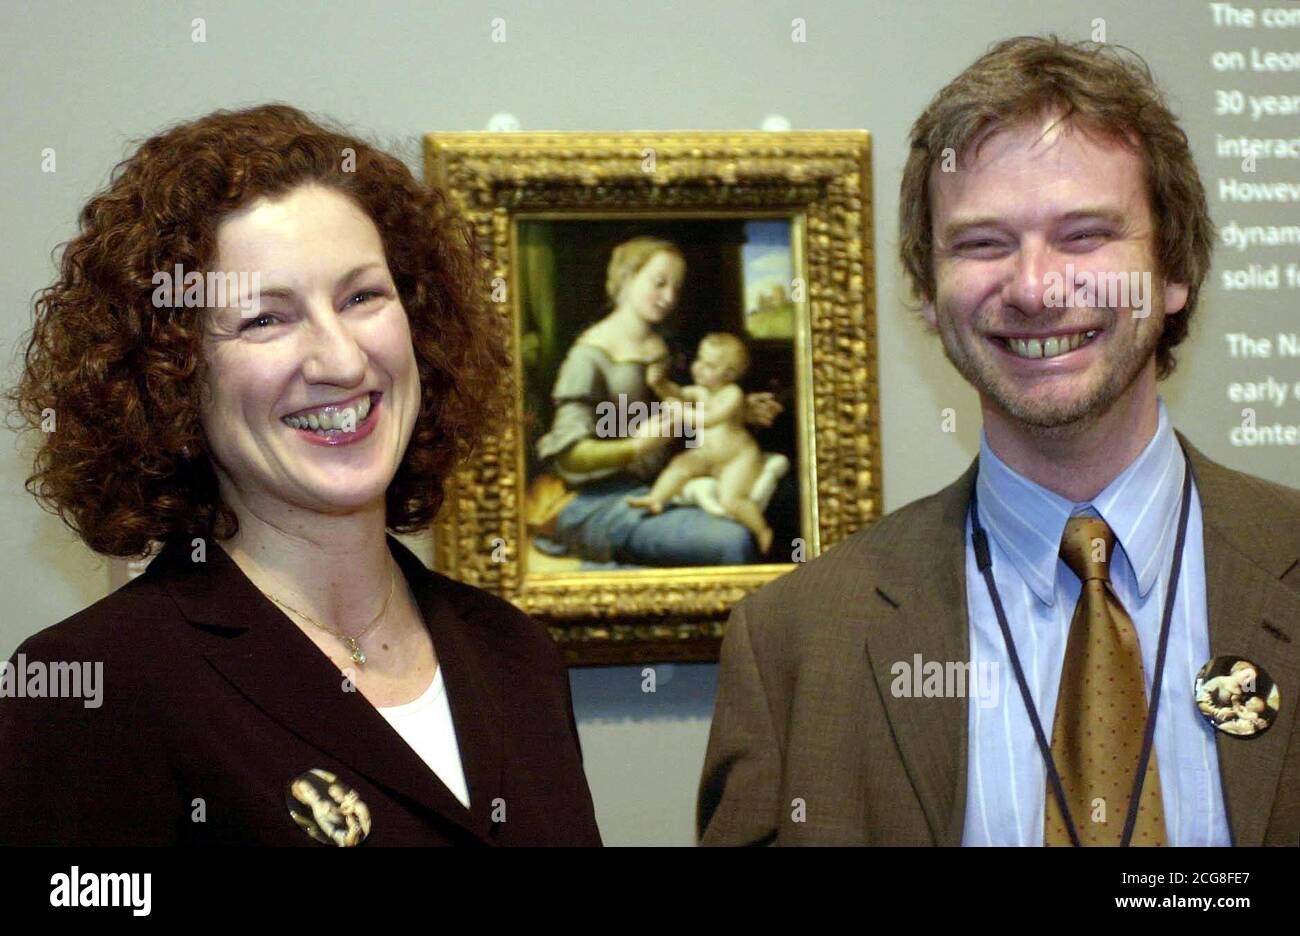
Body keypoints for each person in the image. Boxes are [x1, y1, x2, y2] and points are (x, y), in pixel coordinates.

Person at [698, 37, 1300, 846]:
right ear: (926, 292)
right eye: (983, 243)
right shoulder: (792, 647)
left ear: (1174, 270)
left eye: (1085, 235)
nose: (1036, 288)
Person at [0, 104, 601, 846]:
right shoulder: (96, 686)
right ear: (171, 375)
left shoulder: (513, 656)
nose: (342, 361)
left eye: (361, 297)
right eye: (264, 319)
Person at [531, 237, 782, 567]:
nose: (669, 298)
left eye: (676, 288)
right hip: (600, 498)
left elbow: (688, 405)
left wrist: (739, 411)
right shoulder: (588, 357)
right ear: (627, 276)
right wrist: (636, 446)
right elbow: (567, 456)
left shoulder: (665, 346)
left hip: (673, 481)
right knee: (731, 541)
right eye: (659, 283)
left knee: (785, 500)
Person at [628, 333, 773, 554]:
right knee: (680, 465)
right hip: (707, 454)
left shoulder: (732, 394)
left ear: (729, 374)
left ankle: (762, 530)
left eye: (709, 365)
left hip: (737, 458)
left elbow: (710, 419)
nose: (699, 368)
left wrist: (682, 412)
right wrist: (659, 384)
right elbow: (675, 394)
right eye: (699, 360)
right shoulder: (699, 391)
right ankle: (656, 499)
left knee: (731, 499)